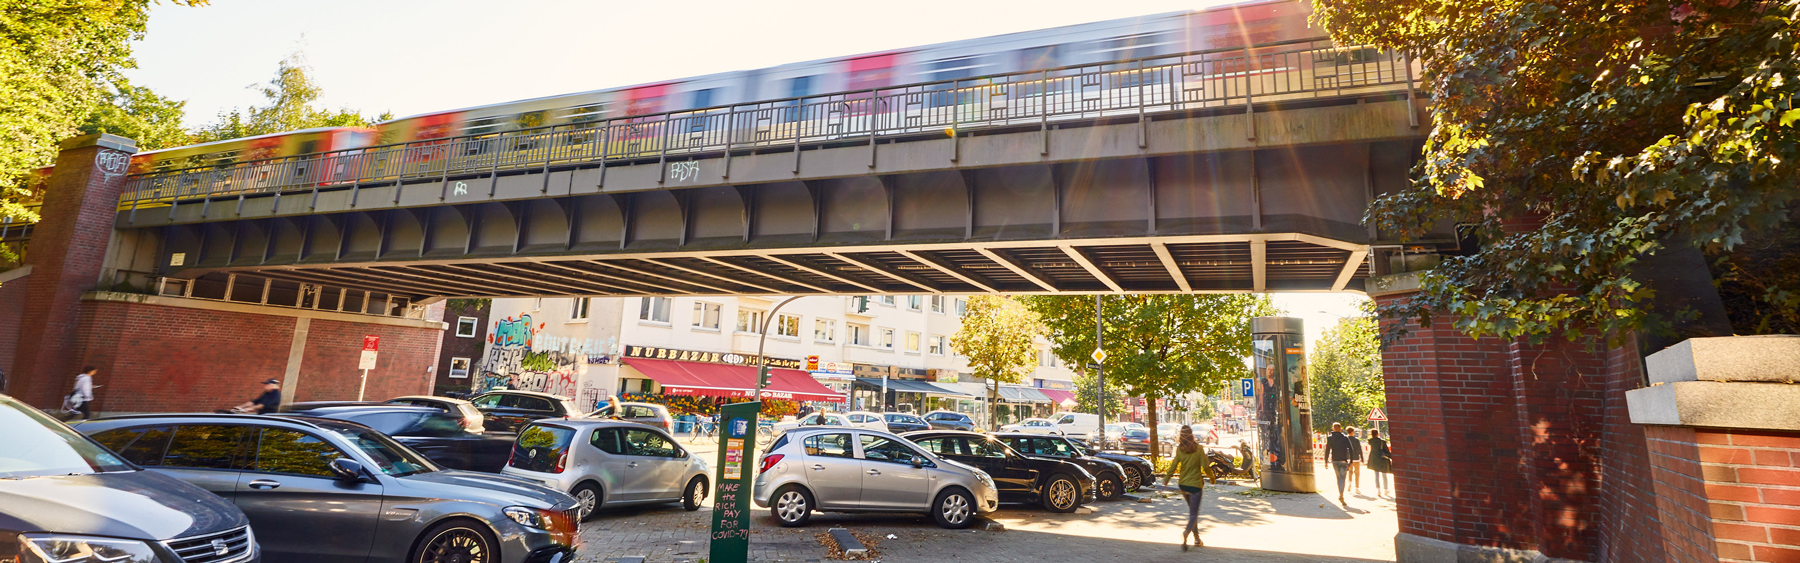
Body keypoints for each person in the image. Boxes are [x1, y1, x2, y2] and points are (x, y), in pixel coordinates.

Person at [1162, 425, 1209, 551]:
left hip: (1183, 485)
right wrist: (1213, 478)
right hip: (1195, 486)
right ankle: (1186, 533)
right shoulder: (1198, 449)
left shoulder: (1180, 449)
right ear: (1191, 434)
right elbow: (1206, 466)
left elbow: (1174, 465)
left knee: (1192, 513)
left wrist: (1167, 478)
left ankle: (1197, 539)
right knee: (1193, 514)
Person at [1325, 422, 1354, 506]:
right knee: (1343, 479)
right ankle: (1341, 495)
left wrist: (1326, 461)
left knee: (1338, 478)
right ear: (1340, 429)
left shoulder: (1330, 438)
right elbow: (1351, 449)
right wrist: (1351, 461)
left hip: (1335, 460)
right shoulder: (1345, 438)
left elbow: (1327, 450)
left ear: (1333, 429)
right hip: (1344, 461)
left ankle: (1340, 494)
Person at [1368, 429, 1393, 498]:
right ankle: (1385, 489)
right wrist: (1391, 457)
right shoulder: (1382, 442)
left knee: (1376, 475)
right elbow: (1387, 451)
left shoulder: (1370, 441)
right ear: (1377, 434)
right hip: (1382, 460)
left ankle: (1378, 490)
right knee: (1384, 475)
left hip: (1374, 460)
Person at [1346, 425, 1365, 494]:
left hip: (1349, 458)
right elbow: (1360, 450)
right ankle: (1357, 488)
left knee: (1350, 472)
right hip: (1356, 458)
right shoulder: (1356, 440)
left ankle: (1349, 482)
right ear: (1353, 432)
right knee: (1357, 473)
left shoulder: (1346, 439)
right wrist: (1362, 458)